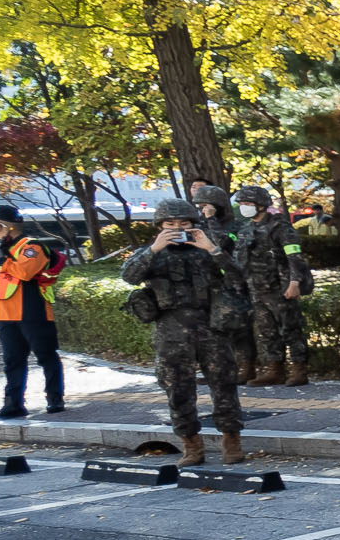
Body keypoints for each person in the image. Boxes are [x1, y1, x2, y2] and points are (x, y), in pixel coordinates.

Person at [123, 198, 246, 467]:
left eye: (184, 223)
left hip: (211, 326)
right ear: (159, 226)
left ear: (194, 225)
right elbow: (129, 276)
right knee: (177, 388)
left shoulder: (207, 250)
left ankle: (231, 440)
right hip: (171, 329)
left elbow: (238, 276)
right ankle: (191, 445)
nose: (177, 228)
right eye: (170, 224)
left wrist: (212, 248)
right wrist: (154, 249)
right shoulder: (152, 253)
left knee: (224, 384)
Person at [0, 205, 65, 420]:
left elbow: (25, 272)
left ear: (7, 227)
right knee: (12, 361)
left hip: (32, 311)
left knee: (46, 356)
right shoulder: (1, 249)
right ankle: (13, 405)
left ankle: (55, 400)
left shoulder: (31, 247)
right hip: (5, 314)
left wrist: (4, 260)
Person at [234, 184, 312, 386]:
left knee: (290, 329)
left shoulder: (280, 227)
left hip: (280, 288)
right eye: (241, 203)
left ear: (261, 205)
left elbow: (294, 257)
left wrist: (294, 282)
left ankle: (299, 369)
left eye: (247, 203)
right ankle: (275, 370)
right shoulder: (245, 230)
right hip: (256, 289)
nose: (243, 207)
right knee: (266, 332)